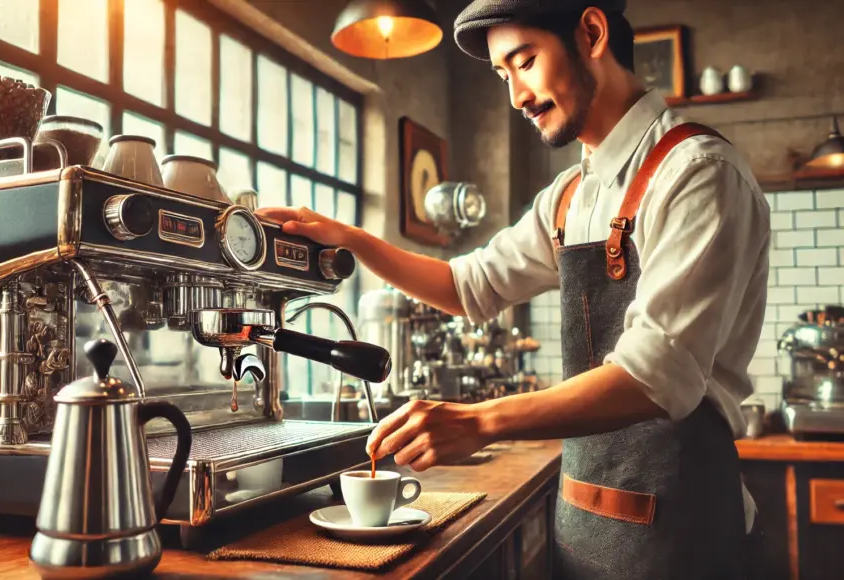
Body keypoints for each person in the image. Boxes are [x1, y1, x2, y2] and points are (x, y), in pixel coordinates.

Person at [257, 0, 770, 577]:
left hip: (686, 539)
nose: (516, 97)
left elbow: (656, 375)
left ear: (593, 33)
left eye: (524, 62)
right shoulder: (569, 195)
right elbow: (468, 285)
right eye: (503, 75)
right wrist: (353, 240)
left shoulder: (697, 172)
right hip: (581, 527)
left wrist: (479, 421)